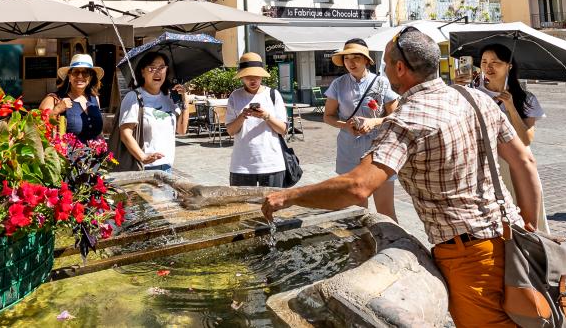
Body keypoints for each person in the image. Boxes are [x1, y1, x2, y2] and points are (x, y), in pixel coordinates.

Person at [262, 27, 542, 328]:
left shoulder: (408, 119)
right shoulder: (476, 99)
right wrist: (530, 226)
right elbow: (524, 160)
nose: (381, 69)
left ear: (399, 68)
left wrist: (287, 196)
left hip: (468, 256)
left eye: (384, 64)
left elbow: (357, 187)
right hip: (513, 235)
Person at [471, 43, 550, 234]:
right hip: (484, 164)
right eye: (484, 62)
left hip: (518, 165)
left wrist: (510, 106)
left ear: (509, 65)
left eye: (495, 62)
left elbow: (526, 139)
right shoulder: (473, 93)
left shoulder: (526, 98)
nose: (488, 67)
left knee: (528, 220)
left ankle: (532, 255)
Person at [323, 39, 400, 218]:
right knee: (356, 212)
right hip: (349, 151)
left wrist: (374, 122)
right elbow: (328, 116)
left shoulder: (382, 83)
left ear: (366, 60)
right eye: (346, 58)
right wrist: (345, 126)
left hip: (379, 153)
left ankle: (392, 245)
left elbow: (396, 117)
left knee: (386, 211)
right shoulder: (338, 84)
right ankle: (362, 246)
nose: (351, 62)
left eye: (356, 57)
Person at [119, 52, 189, 172]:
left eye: (162, 67)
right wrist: (143, 157)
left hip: (167, 167)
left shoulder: (169, 97)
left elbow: (181, 130)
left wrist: (185, 99)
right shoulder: (134, 97)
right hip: (144, 168)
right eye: (152, 68)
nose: (157, 72)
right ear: (142, 72)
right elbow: (125, 133)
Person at [225, 52, 287, 187]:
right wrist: (242, 116)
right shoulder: (235, 96)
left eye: (256, 76)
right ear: (242, 77)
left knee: (272, 206)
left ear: (261, 75)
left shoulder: (273, 94)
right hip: (241, 164)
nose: (252, 80)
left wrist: (266, 116)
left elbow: (283, 129)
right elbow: (230, 131)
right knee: (242, 207)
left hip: (271, 163)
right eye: (248, 76)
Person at [39, 53, 104, 143]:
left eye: (85, 73)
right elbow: (39, 128)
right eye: (76, 72)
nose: (80, 76)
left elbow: (99, 134)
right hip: (66, 156)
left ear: (90, 77)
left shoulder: (94, 98)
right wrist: (56, 110)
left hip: (96, 156)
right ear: (69, 76)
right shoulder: (53, 99)